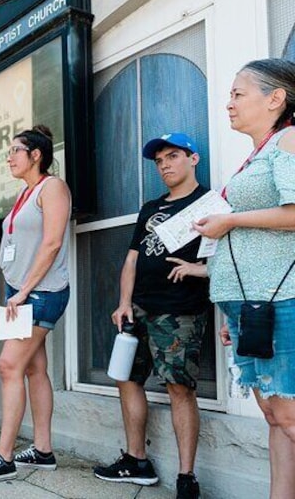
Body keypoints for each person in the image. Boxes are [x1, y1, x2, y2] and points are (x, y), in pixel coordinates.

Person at [87, 132, 210, 498]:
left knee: (179, 388)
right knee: (126, 377)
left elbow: (231, 255)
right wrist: (124, 302)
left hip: (180, 310)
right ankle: (136, 460)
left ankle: (186, 477)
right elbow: (131, 258)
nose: (165, 165)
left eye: (172, 157)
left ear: (193, 159)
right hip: (138, 307)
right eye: (159, 161)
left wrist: (199, 269)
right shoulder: (150, 208)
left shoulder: (211, 203)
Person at [195, 59, 295, 499]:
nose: (229, 103)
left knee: (289, 415)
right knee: (275, 417)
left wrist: (230, 218)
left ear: (276, 99)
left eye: (239, 94)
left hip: (281, 301)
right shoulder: (256, 154)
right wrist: (230, 306)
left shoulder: (289, 139)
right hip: (248, 305)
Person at [0, 126, 72, 483]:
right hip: (22, 291)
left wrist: (25, 289)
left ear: (36, 155)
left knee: (8, 365)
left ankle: (4, 455)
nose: (8, 157)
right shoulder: (25, 194)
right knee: (32, 369)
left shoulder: (52, 187)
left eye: (15, 151)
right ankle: (42, 451)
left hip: (42, 292)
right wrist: (17, 287)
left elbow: (53, 242)